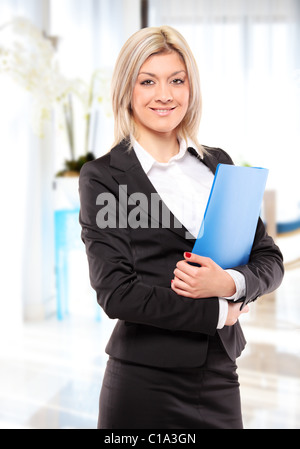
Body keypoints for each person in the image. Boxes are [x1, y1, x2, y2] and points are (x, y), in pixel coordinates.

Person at [79, 26, 284, 429]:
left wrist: (228, 285)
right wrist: (216, 311)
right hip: (143, 382)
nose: (165, 95)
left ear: (191, 87)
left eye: (177, 80)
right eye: (148, 81)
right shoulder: (104, 177)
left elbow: (269, 257)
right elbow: (115, 292)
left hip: (220, 378)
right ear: (127, 90)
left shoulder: (216, 164)